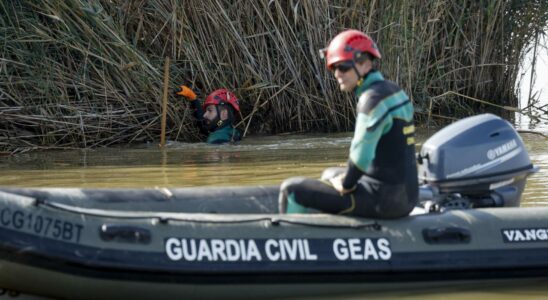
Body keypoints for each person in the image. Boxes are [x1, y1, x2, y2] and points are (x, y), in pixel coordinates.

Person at [278, 29, 418, 218]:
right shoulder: (394, 91)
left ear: (365, 64)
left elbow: (361, 157)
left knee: (291, 189)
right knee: (330, 173)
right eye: (333, 68)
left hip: (383, 201)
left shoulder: (372, 100)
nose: (337, 74)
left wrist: (345, 185)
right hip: (406, 197)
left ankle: (297, 242)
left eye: (343, 67)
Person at [177, 86, 241, 144]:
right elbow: (204, 126)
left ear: (224, 114)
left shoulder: (215, 138)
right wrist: (193, 98)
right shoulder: (232, 131)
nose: (204, 115)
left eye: (210, 110)